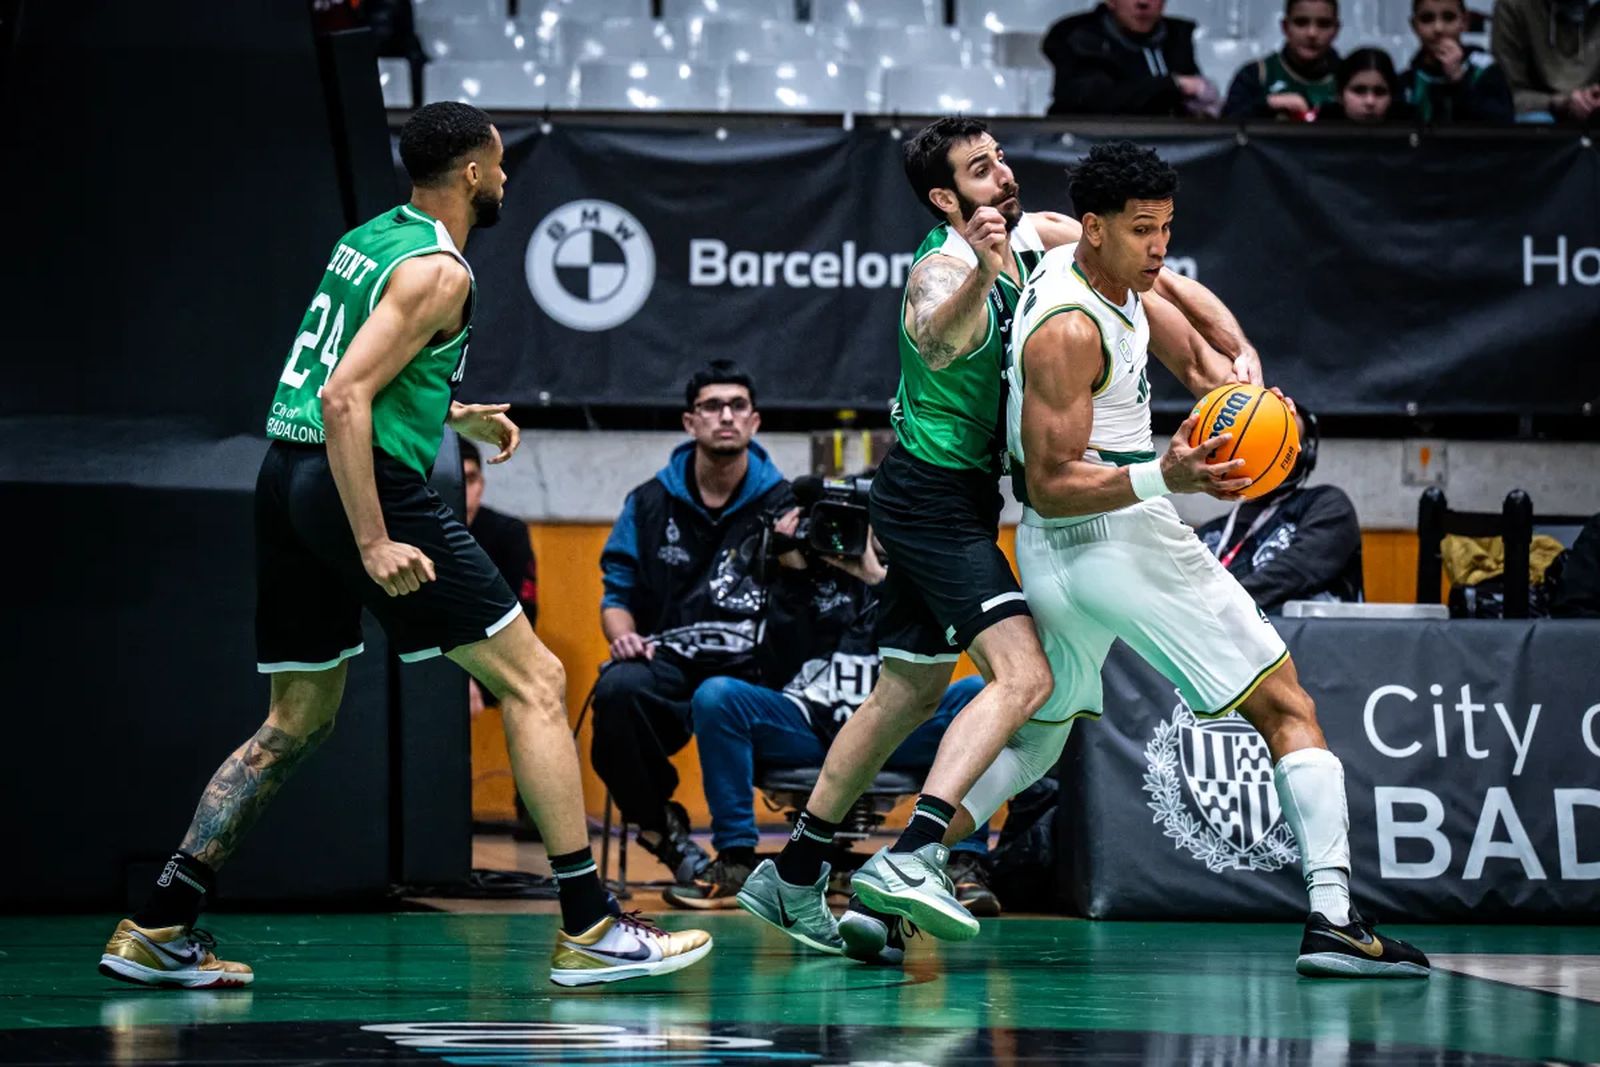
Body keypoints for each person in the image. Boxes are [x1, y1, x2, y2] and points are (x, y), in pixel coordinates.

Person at [97, 102, 710, 990]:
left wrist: (451, 410)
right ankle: (589, 926)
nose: (504, 179)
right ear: (472, 173)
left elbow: (345, 367)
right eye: (499, 166)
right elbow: (347, 397)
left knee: (297, 720)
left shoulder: (373, 238)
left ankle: (158, 919)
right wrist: (376, 537)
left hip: (288, 478)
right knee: (536, 681)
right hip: (362, 485)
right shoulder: (440, 271)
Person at [735, 115, 1260, 962]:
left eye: (1002, 158)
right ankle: (921, 852)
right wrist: (982, 272)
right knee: (1026, 674)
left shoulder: (1037, 232)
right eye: (982, 169)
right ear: (946, 197)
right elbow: (935, 339)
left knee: (902, 692)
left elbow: (1164, 283)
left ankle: (793, 872)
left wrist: (1234, 351)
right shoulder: (944, 264)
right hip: (930, 498)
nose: (1005, 174)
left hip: (961, 497)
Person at [986, 140, 1429, 977]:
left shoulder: (1057, 244)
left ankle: (912, 863)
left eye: (1167, 227)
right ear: (1093, 227)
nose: (1159, 246)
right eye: (1143, 230)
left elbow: (1186, 314)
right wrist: (1170, 473)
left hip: (1057, 560)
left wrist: (1243, 370)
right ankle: (1335, 916)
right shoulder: (1070, 326)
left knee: (1042, 730)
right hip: (1116, 534)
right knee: (1287, 706)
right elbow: (1048, 483)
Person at [663, 533, 995, 925]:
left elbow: (940, 635)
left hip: (894, 728)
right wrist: (794, 577)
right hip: (805, 724)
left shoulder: (912, 563)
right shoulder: (792, 573)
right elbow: (771, 659)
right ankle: (736, 859)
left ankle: (963, 862)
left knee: (977, 695)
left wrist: (880, 582)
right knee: (716, 696)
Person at [593, 360, 793, 886]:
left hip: (756, 671)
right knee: (615, 692)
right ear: (690, 422)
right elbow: (616, 595)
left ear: (754, 422)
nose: (725, 416)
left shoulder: (787, 503)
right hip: (670, 666)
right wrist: (624, 637)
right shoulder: (648, 501)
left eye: (737, 406)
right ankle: (662, 826)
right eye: (711, 406)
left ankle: (812, 853)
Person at [1195, 409, 1365, 614]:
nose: (1270, 454)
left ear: (1303, 457)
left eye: (1284, 445)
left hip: (1304, 641)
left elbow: (1295, 574)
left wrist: (1205, 608)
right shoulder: (1210, 533)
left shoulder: (1328, 506)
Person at [1043, 0, 1220, 117]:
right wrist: (1173, 84)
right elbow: (1094, 100)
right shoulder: (1078, 35)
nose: (1142, 3)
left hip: (1168, 153)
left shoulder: (1176, 37)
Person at [1223, 0, 1342, 121]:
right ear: (1285, 27)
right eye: (1301, 22)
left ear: (1336, 29)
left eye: (1323, 24)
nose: (1312, 33)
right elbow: (1225, 129)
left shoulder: (1350, 78)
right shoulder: (1255, 75)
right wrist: (1269, 104)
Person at [1401, 0, 1515, 123]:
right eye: (1427, 18)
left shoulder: (1486, 70)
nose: (1438, 28)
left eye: (1448, 17)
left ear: (1464, 22)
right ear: (1414, 25)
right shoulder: (1408, 81)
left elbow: (1502, 123)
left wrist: (1459, 80)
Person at [1491, 0, 1600, 122]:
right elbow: (1505, 95)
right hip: (1538, 112)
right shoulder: (1513, 5)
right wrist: (1558, 102)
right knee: (1537, 122)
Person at [1317, 48, 1409, 121]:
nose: (1370, 102)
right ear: (1340, 95)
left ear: (1392, 96)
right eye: (1359, 91)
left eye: (1380, 92)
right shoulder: (1320, 126)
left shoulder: (1410, 128)